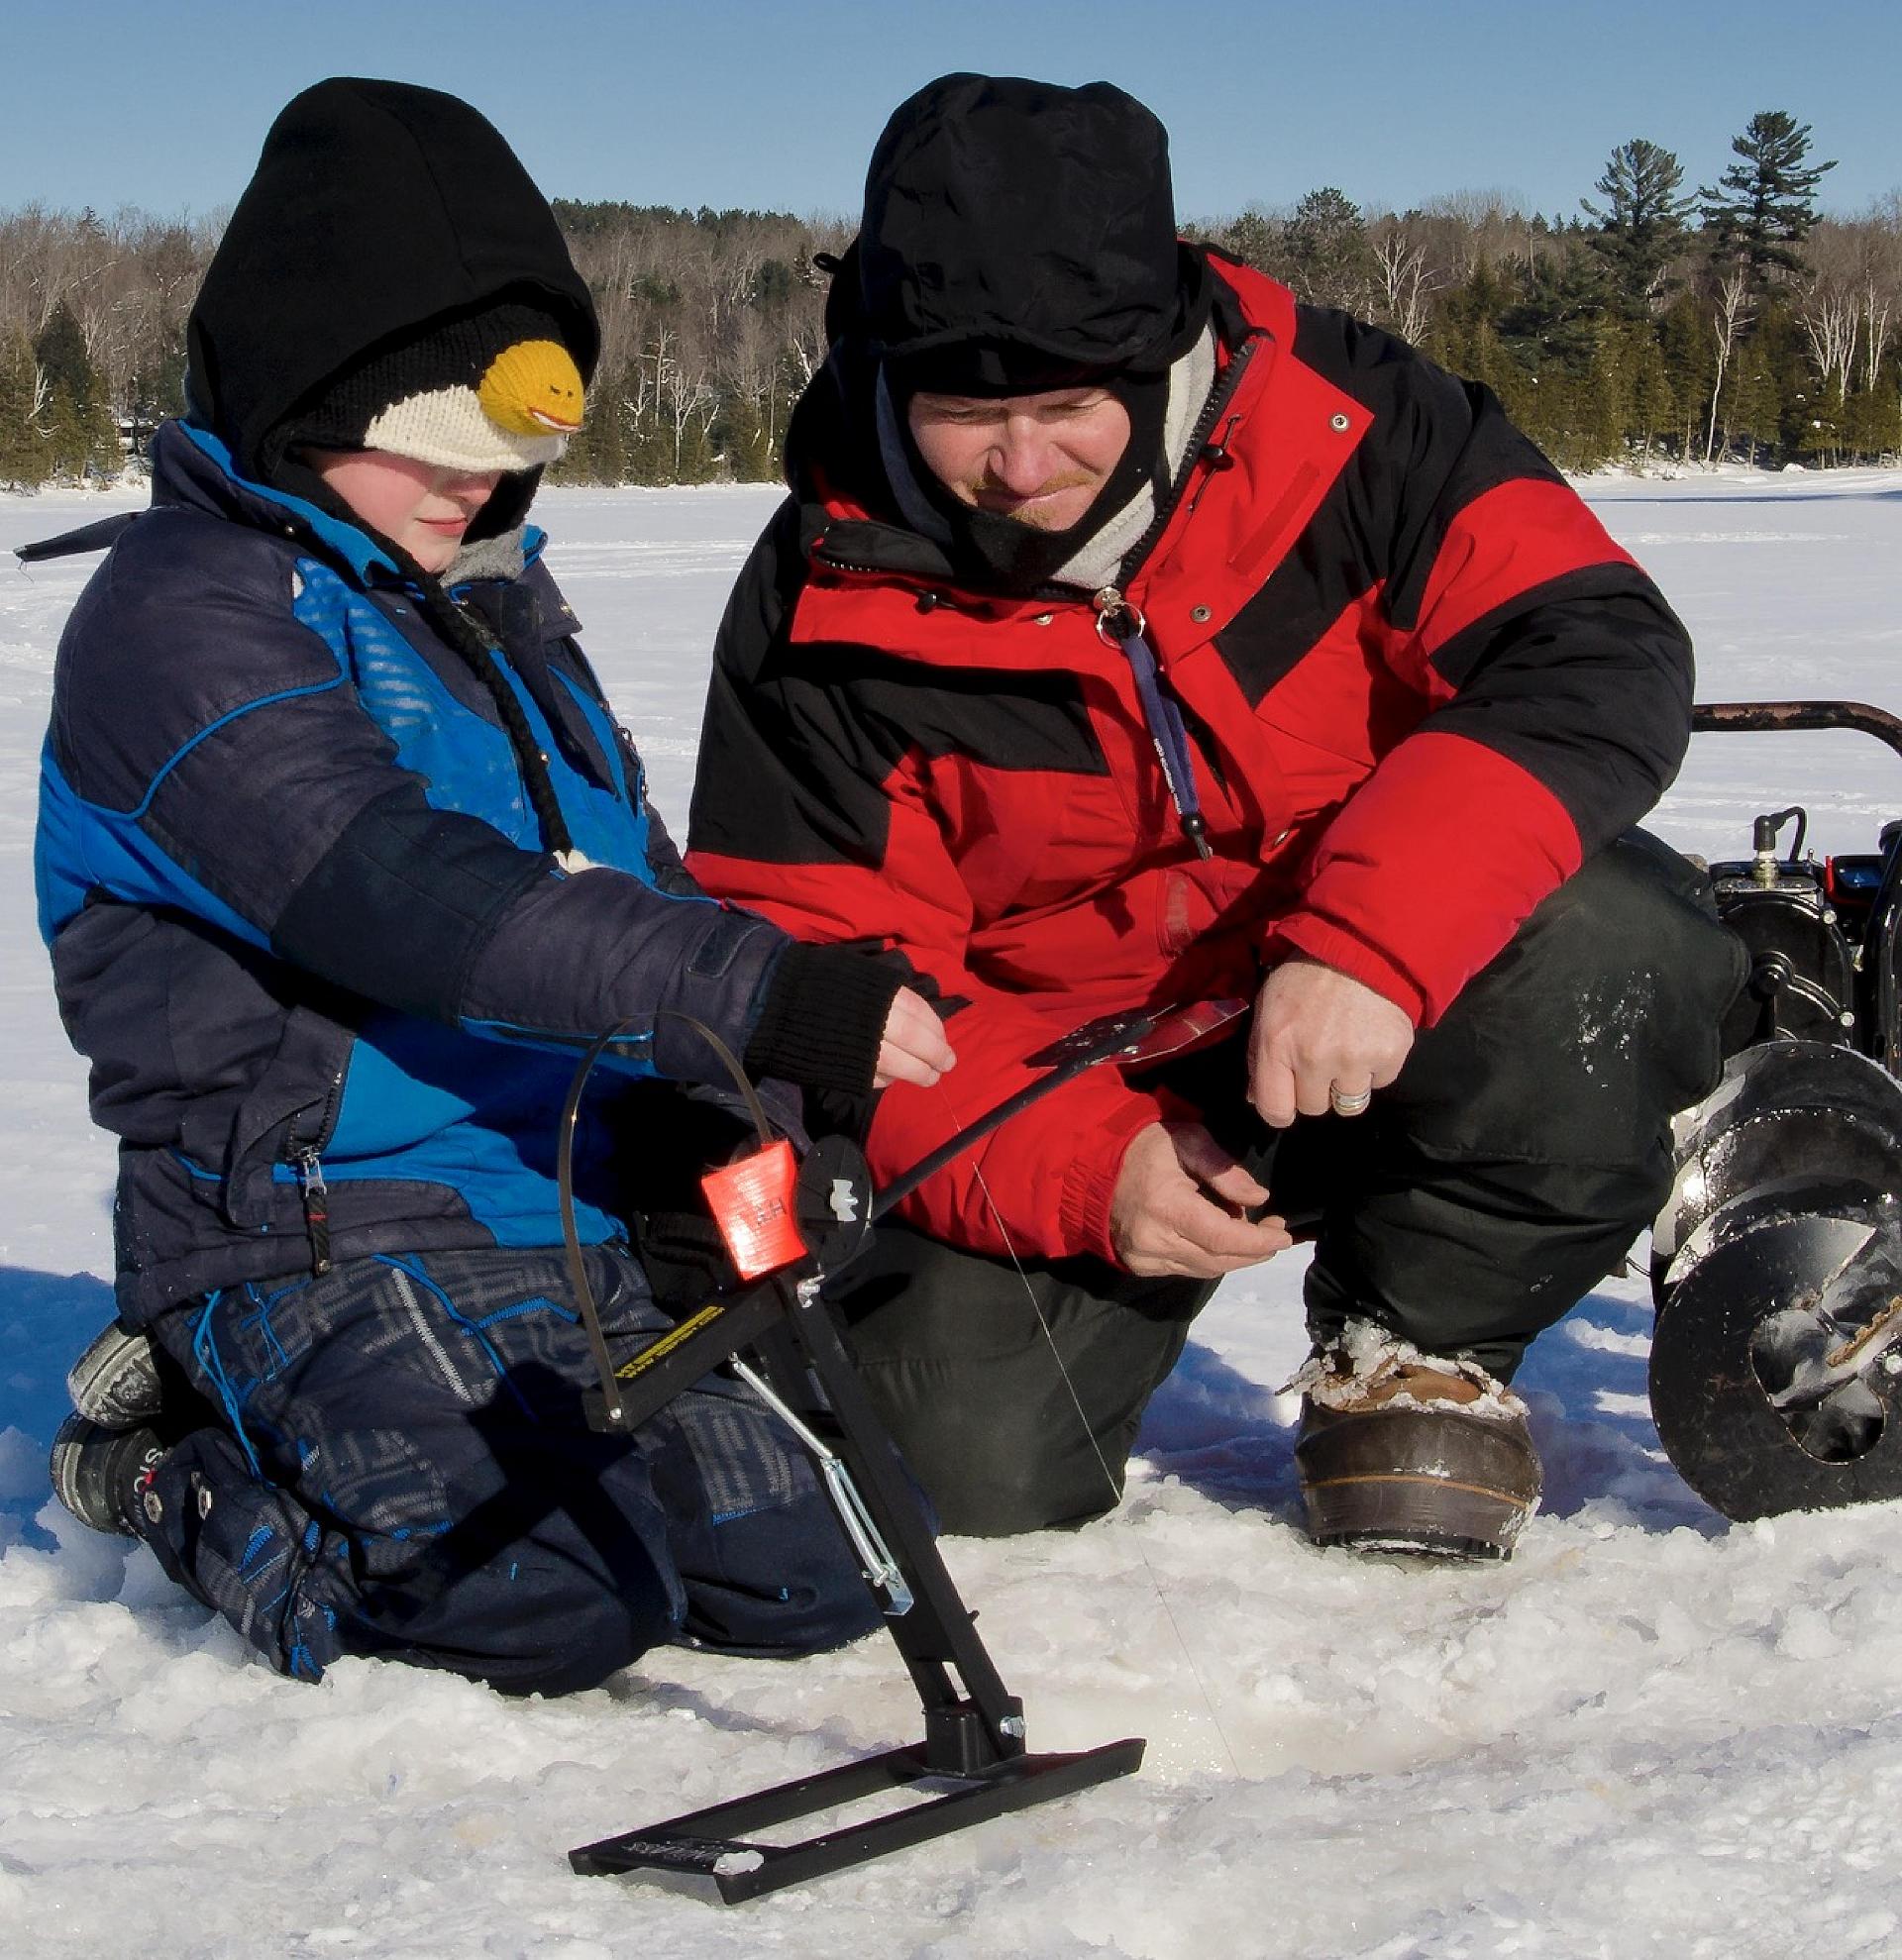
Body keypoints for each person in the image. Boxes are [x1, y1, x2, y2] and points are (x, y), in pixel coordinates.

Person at [685, 73, 1746, 1560]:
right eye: (965, 418)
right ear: (881, 373)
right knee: (962, 1458)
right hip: (1087, 1069)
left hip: (1381, 994)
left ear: (1161, 344)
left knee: (1610, 944)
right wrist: (1077, 1167)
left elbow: (1593, 650)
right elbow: (817, 989)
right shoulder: (821, 596)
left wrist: (1378, 940)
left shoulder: (1357, 427)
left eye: (1067, 409)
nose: (1024, 466)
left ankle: (1416, 1336)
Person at [36, 77, 953, 1694]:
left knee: (817, 1578)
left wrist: (743, 1136)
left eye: (503, 458)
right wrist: (759, 995)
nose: (477, 492)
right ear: (308, 396)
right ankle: (168, 1459)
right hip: (316, 1231)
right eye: (432, 451)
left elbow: (634, 880)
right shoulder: (178, 617)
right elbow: (400, 893)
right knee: (530, 1606)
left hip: (568, 1219)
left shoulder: (498, 606)